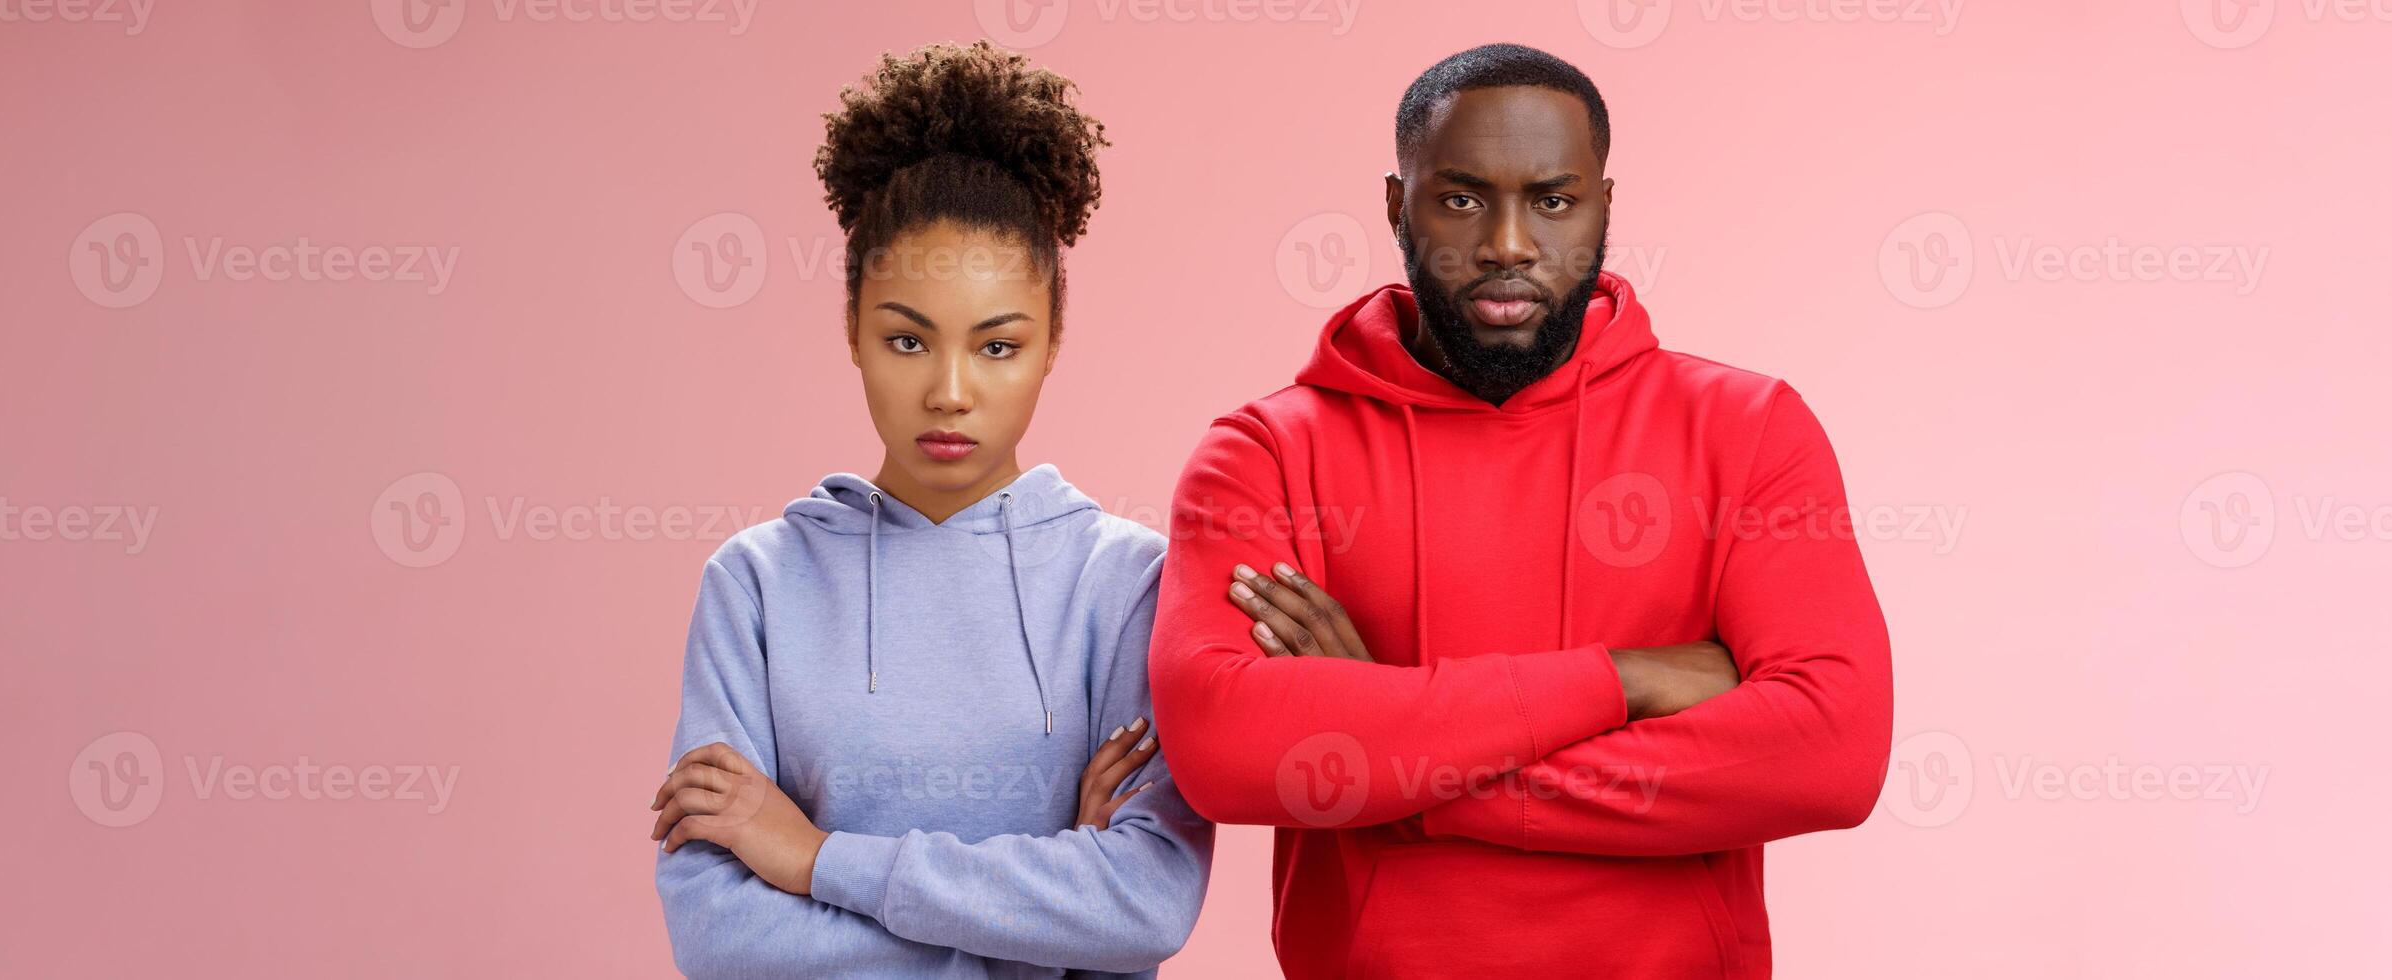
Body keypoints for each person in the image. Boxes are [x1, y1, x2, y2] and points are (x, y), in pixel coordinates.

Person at [1148, 43, 1892, 978]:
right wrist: (1628, 679)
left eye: (1551, 200)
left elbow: (1830, 753)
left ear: (1605, 208)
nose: (1507, 243)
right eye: (1462, 199)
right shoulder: (1265, 452)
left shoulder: (1748, 431)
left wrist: (1391, 761)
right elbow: (1225, 747)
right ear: (1396, 205)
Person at [649, 41, 1211, 979]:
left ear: (1051, 342)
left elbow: (1146, 901)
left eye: (996, 347)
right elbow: (718, 939)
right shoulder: (755, 586)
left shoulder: (1129, 585)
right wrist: (1040, 939)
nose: (950, 392)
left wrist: (817, 858)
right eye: (907, 339)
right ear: (853, 333)